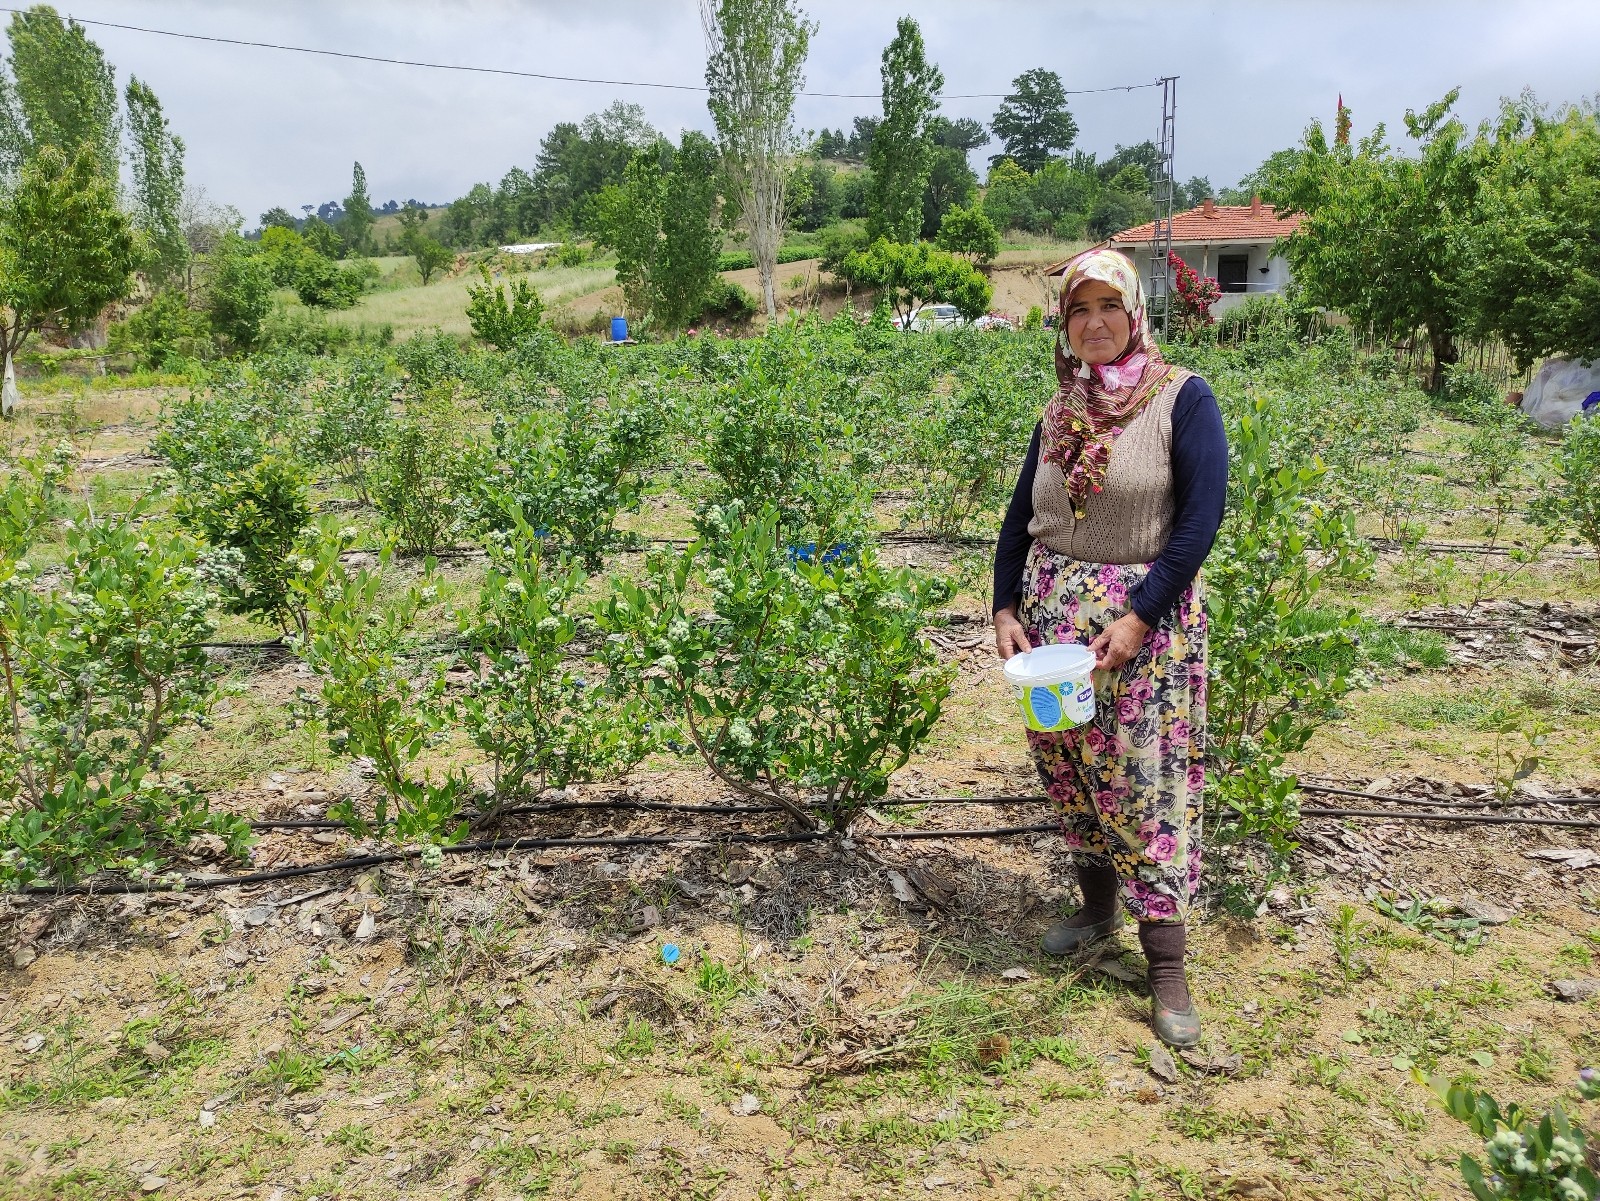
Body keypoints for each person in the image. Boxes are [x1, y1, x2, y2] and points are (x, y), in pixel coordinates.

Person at [991, 248, 1228, 1048]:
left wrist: (1137, 618)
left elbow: (1198, 522)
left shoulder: (1180, 399)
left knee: (1144, 789)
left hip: (1139, 636)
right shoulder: (1059, 411)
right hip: (1054, 638)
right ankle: (1096, 913)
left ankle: (1166, 966)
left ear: (1135, 313)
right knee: (1069, 773)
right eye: (1077, 311)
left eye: (1107, 307)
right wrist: (1003, 605)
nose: (1093, 323)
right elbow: (1021, 516)